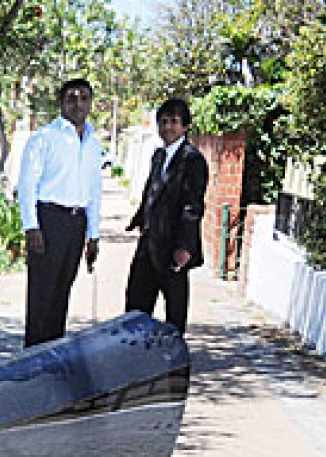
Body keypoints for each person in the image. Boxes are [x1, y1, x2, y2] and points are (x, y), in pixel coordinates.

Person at [17, 78, 106, 347]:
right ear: (61, 102)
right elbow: (27, 184)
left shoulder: (93, 143)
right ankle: (32, 359)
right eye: (71, 98)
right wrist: (31, 226)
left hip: (76, 224)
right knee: (42, 295)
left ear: (91, 103)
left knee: (62, 291)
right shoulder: (45, 138)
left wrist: (93, 235)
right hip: (49, 221)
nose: (77, 104)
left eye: (83, 98)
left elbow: (94, 191)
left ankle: (52, 355)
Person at [124, 98, 209, 335]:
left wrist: (185, 247)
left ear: (185, 126)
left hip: (174, 249)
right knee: (135, 307)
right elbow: (151, 191)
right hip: (149, 244)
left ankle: (174, 364)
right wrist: (140, 219)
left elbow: (193, 206)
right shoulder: (158, 156)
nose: (168, 127)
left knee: (175, 313)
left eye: (174, 122)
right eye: (163, 122)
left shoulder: (193, 160)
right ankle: (136, 359)